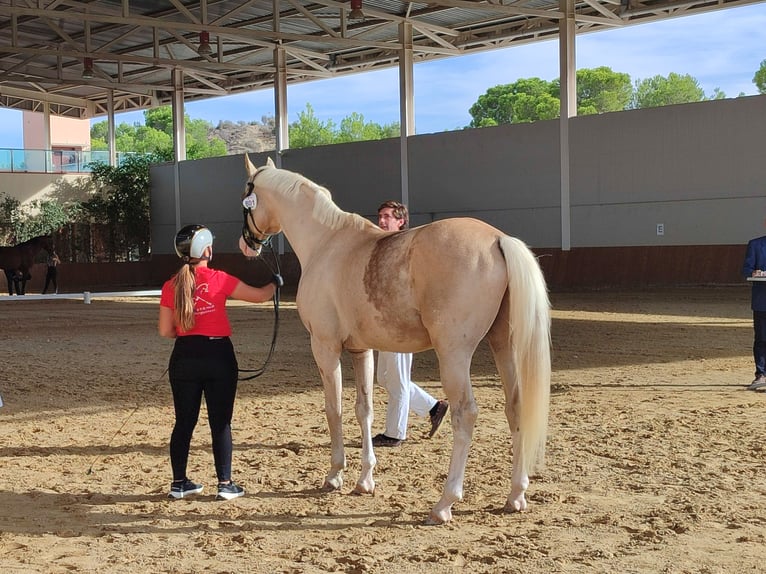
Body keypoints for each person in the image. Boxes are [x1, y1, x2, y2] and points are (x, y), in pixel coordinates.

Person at [159, 224, 282, 500]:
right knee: (221, 423)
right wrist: (275, 282)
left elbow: (166, 331)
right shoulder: (220, 279)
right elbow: (260, 296)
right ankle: (225, 483)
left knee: (183, 422)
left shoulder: (171, 285)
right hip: (218, 357)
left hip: (184, 357)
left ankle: (179, 483)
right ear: (207, 250)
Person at [372, 200, 449, 447]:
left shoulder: (405, 248)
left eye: (387, 217)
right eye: (380, 216)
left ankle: (395, 433)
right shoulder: (384, 246)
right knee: (385, 378)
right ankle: (433, 406)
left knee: (396, 378)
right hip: (384, 318)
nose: (382, 221)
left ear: (400, 220)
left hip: (400, 319)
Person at [743, 232, 766, 391]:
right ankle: (761, 374)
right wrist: (753, 273)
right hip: (762, 301)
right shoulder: (755, 244)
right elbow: (746, 269)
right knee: (762, 339)